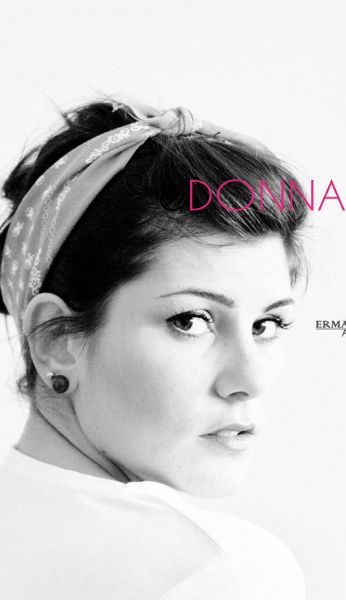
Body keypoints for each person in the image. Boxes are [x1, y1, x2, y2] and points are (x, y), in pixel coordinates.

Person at [0, 99, 308, 599]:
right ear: (55, 338)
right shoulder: (221, 570)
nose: (251, 380)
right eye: (191, 321)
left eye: (267, 324)